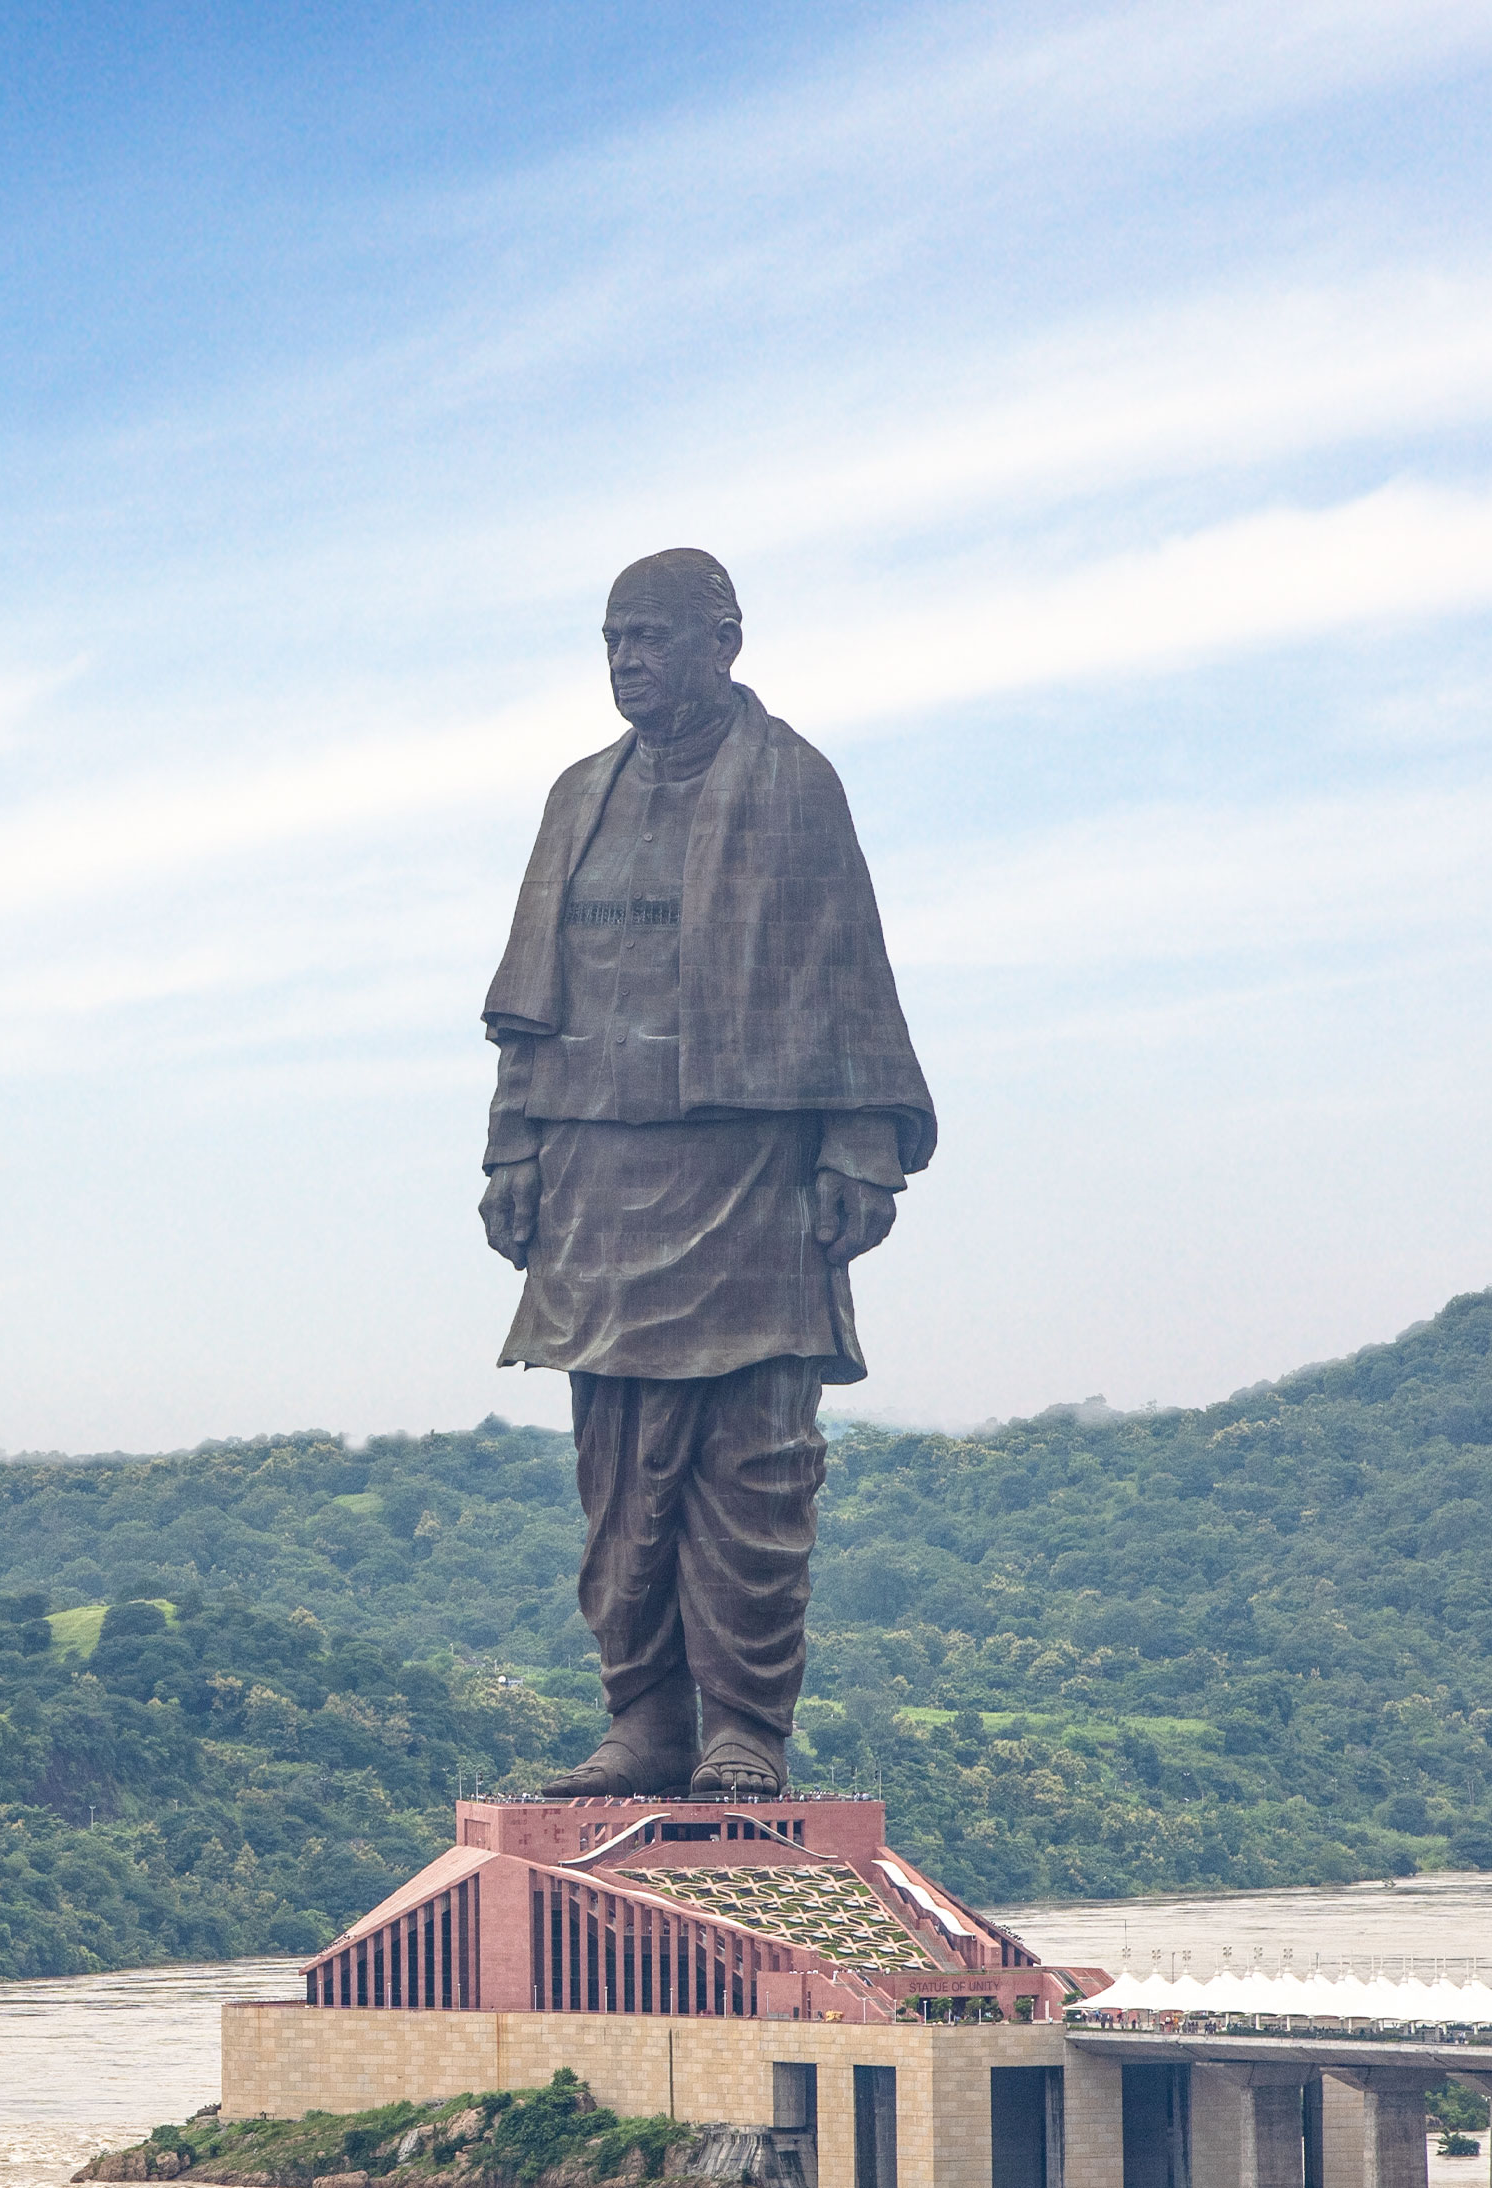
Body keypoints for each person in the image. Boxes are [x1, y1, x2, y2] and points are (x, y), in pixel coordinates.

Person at [473, 548, 933, 1801]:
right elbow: (530, 1002)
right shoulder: (578, 797)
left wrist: (860, 1144)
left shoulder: (794, 785)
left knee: (753, 1460)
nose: (629, 661)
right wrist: (513, 1145)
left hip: (749, 1176)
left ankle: (744, 1725)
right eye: (613, 640)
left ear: (724, 642)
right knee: (619, 1468)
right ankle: (644, 1718)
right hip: (597, 1175)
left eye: (653, 638)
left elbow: (848, 974)